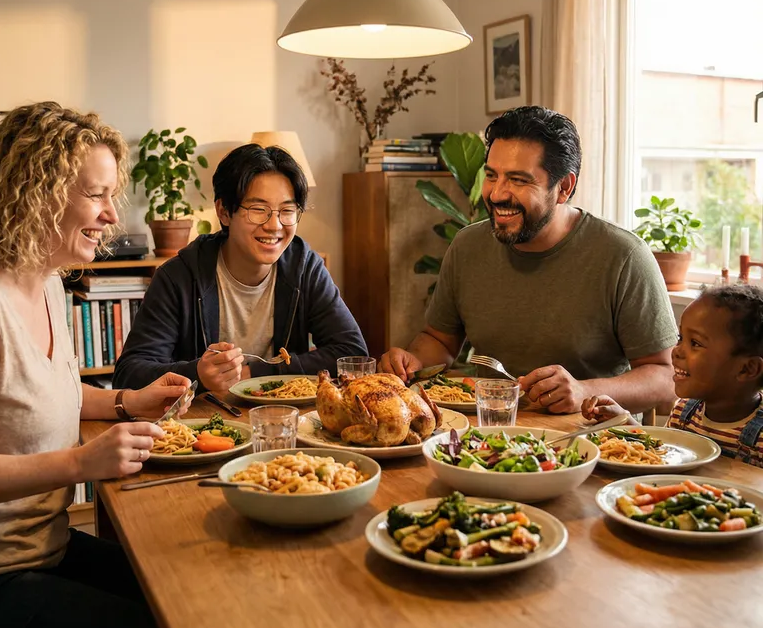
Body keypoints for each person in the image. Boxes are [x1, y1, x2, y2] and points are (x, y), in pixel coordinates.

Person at [0, 102, 192, 628]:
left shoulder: (45, 281)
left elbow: (31, 394)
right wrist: (80, 464)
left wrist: (128, 402)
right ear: (35, 192)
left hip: (48, 547)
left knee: (187, 597)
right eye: (97, 195)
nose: (113, 216)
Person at [380, 105, 677, 414]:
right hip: (489, 437)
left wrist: (584, 390)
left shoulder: (623, 256)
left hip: (588, 443)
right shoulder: (467, 245)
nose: (496, 194)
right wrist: (414, 361)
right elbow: (439, 341)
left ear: (564, 187)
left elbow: (665, 377)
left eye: (518, 180)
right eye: (492, 176)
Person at [113, 142, 366, 393]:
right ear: (224, 212)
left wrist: (257, 373)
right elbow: (130, 374)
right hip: (203, 425)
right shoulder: (179, 276)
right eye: (258, 210)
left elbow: (352, 354)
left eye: (287, 211)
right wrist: (197, 373)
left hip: (286, 422)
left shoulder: (304, 268)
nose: (274, 225)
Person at [583, 284, 763, 466]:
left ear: (746, 369)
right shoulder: (683, 412)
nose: (677, 351)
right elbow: (661, 452)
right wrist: (623, 421)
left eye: (695, 343)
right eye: (681, 338)